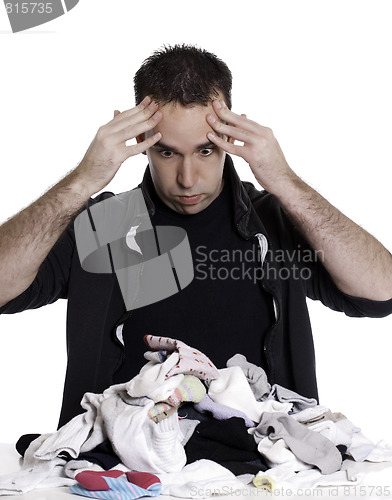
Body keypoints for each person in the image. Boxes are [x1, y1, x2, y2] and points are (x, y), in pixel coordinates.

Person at [0, 44, 391, 430]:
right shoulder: (103, 225)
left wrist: (285, 182)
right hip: (124, 475)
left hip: (260, 474)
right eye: (167, 153)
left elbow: (381, 291)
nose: (188, 179)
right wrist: (82, 180)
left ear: (230, 136)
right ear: (139, 139)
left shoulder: (275, 220)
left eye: (205, 150)